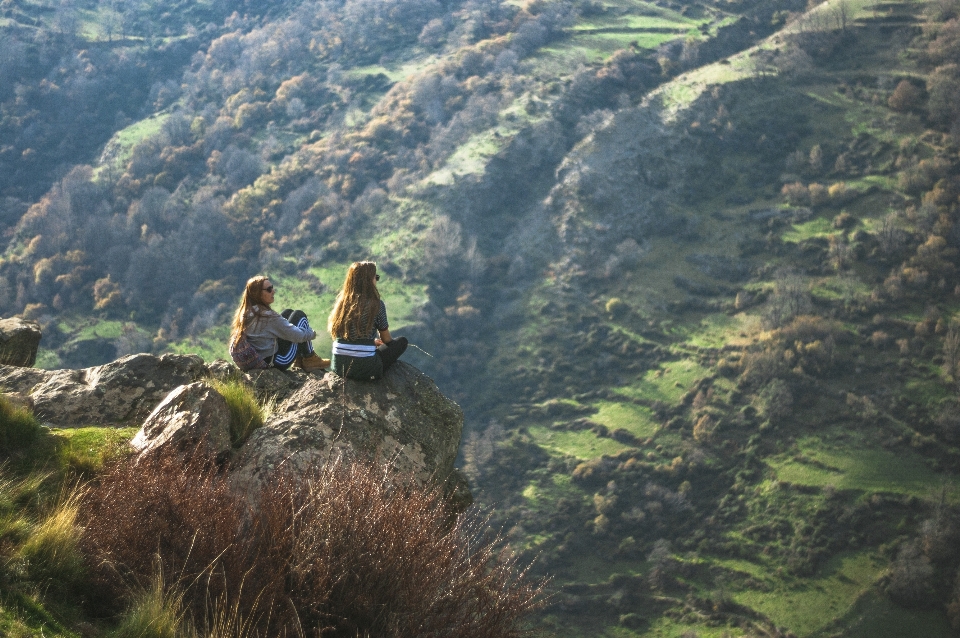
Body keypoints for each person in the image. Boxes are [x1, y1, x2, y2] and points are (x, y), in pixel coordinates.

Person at [229, 275, 329, 371]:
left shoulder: (246, 313)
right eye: (269, 289)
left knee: (288, 313)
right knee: (299, 316)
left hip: (260, 359)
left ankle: (300, 361)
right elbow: (298, 336)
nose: (273, 291)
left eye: (272, 288)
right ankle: (310, 358)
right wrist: (312, 333)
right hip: (277, 361)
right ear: (258, 294)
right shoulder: (268, 316)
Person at [328, 261, 407, 380]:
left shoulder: (342, 303)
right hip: (366, 368)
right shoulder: (377, 305)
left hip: (339, 367)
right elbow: (387, 340)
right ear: (369, 280)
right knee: (402, 342)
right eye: (376, 277)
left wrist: (370, 341)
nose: (376, 280)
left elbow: (344, 336)